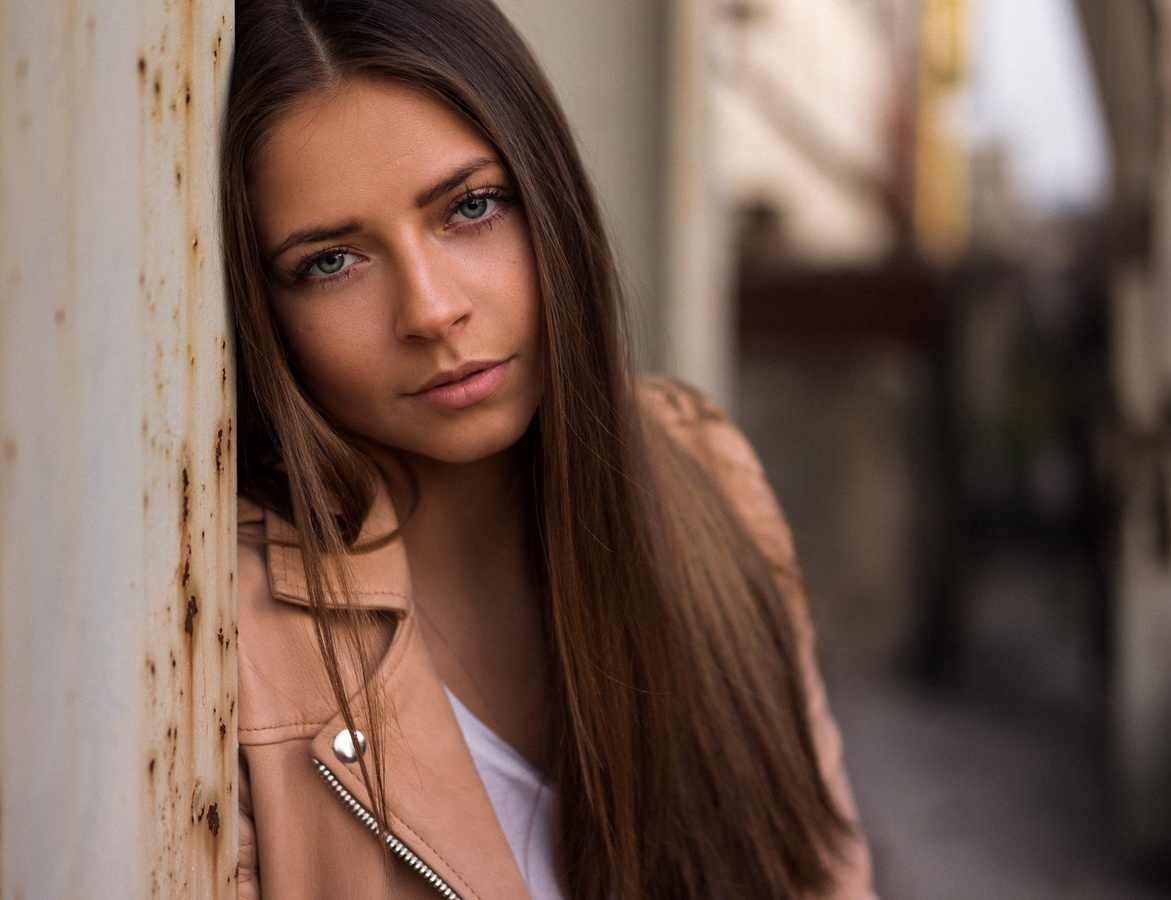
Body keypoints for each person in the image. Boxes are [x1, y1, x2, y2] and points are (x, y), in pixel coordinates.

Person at [222, 0, 876, 897]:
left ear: (552, 197)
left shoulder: (710, 478)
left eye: (471, 207)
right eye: (331, 261)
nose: (430, 309)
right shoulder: (235, 641)